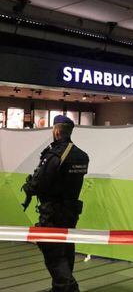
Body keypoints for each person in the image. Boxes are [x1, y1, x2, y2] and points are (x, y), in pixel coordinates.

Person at [21, 115, 89, 292]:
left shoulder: (54, 155)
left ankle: (66, 287)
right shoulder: (82, 156)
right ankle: (60, 287)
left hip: (53, 212)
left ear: (56, 131)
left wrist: (29, 187)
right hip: (71, 211)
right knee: (66, 249)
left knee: (52, 251)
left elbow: (39, 183)